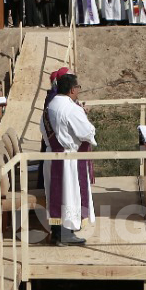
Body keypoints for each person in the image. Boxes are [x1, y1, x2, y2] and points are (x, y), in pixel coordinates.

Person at [42, 73, 96, 245]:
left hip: (52, 157)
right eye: (78, 87)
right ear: (73, 89)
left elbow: (42, 129)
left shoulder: (49, 107)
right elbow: (87, 132)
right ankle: (66, 234)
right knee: (70, 197)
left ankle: (57, 234)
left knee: (56, 197)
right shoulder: (72, 108)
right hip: (68, 160)